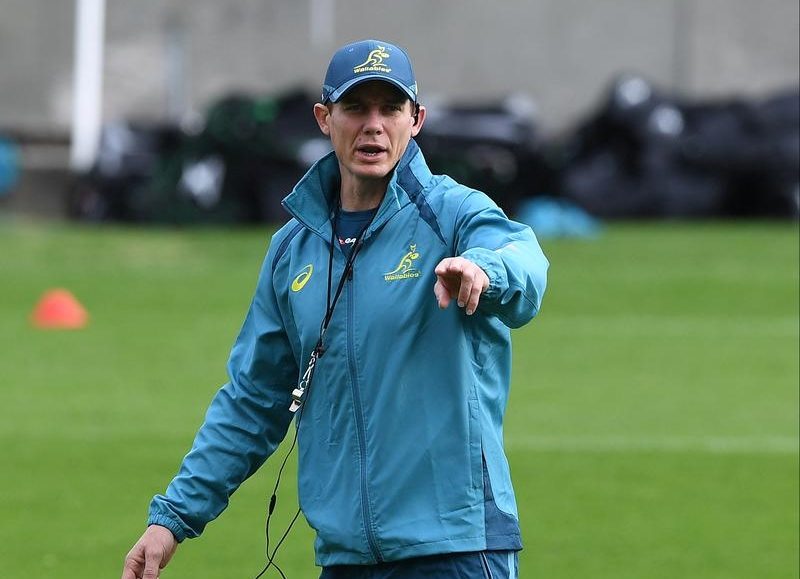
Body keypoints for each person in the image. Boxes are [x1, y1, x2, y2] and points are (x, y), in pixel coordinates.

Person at [121, 38, 549, 579]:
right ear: (325, 118)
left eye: (390, 108)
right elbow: (253, 399)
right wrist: (174, 517)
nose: (374, 125)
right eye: (355, 108)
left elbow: (523, 257)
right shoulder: (292, 250)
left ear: (416, 120)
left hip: (455, 548)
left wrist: (486, 271)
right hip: (346, 558)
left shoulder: (453, 213)